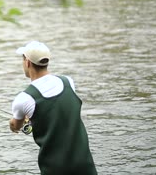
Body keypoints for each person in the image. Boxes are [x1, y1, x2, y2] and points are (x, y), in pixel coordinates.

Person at [9, 41, 97, 175]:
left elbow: (16, 125)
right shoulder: (68, 82)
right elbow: (59, 108)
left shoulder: (24, 98)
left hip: (54, 169)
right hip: (85, 165)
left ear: (27, 62)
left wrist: (14, 124)